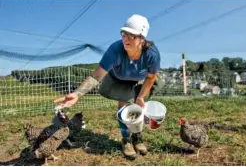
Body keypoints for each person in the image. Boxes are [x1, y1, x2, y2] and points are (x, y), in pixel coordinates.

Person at [53, 14, 164, 160]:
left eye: (131, 35)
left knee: (138, 106)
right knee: (125, 106)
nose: (125, 38)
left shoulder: (152, 54)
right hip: (117, 80)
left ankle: (137, 136)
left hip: (139, 81)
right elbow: (96, 76)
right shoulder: (115, 50)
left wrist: (141, 97)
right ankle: (126, 139)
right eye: (124, 33)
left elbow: (151, 77)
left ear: (142, 38)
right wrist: (77, 94)